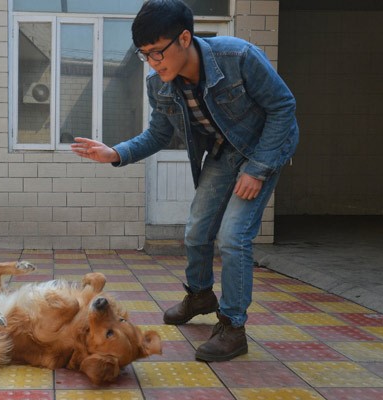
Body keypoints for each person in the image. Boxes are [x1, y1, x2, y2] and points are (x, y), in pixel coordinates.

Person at [71, 0, 298, 362]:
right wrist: (115, 153)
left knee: (233, 236)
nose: (153, 62)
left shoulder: (238, 57)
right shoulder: (158, 86)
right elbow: (158, 135)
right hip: (225, 152)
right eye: (145, 55)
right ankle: (200, 295)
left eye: (158, 52)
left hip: (263, 149)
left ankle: (233, 327)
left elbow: (283, 107)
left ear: (184, 38)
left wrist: (257, 169)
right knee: (195, 231)